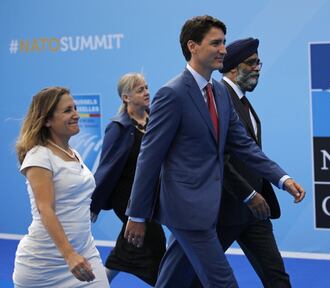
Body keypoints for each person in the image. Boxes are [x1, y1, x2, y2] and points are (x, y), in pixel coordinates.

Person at [124, 15, 305, 288]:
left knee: (172, 281)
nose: (223, 49)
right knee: (223, 283)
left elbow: (243, 145)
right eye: (216, 43)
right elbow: (149, 157)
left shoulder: (218, 94)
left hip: (210, 209)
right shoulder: (171, 94)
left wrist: (282, 179)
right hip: (186, 210)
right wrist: (136, 215)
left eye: (224, 43)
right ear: (193, 46)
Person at [13, 87, 109, 287]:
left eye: (75, 108)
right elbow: (44, 208)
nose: (76, 115)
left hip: (85, 252)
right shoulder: (39, 156)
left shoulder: (74, 154)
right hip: (43, 265)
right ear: (47, 120)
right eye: (67, 111)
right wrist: (69, 254)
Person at [216, 37, 291, 287]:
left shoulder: (242, 100)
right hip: (225, 208)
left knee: (277, 277)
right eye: (252, 62)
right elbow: (220, 159)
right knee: (194, 276)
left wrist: (282, 180)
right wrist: (248, 194)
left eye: (259, 62)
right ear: (234, 67)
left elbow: (252, 153)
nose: (258, 67)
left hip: (255, 211)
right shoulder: (218, 99)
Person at [90, 73, 166, 285]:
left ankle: (99, 282)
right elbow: (106, 168)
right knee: (154, 239)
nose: (147, 92)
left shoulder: (155, 119)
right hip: (126, 198)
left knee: (130, 243)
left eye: (147, 87)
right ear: (126, 97)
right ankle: (164, 281)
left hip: (150, 194)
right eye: (140, 90)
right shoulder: (118, 127)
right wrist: (94, 203)